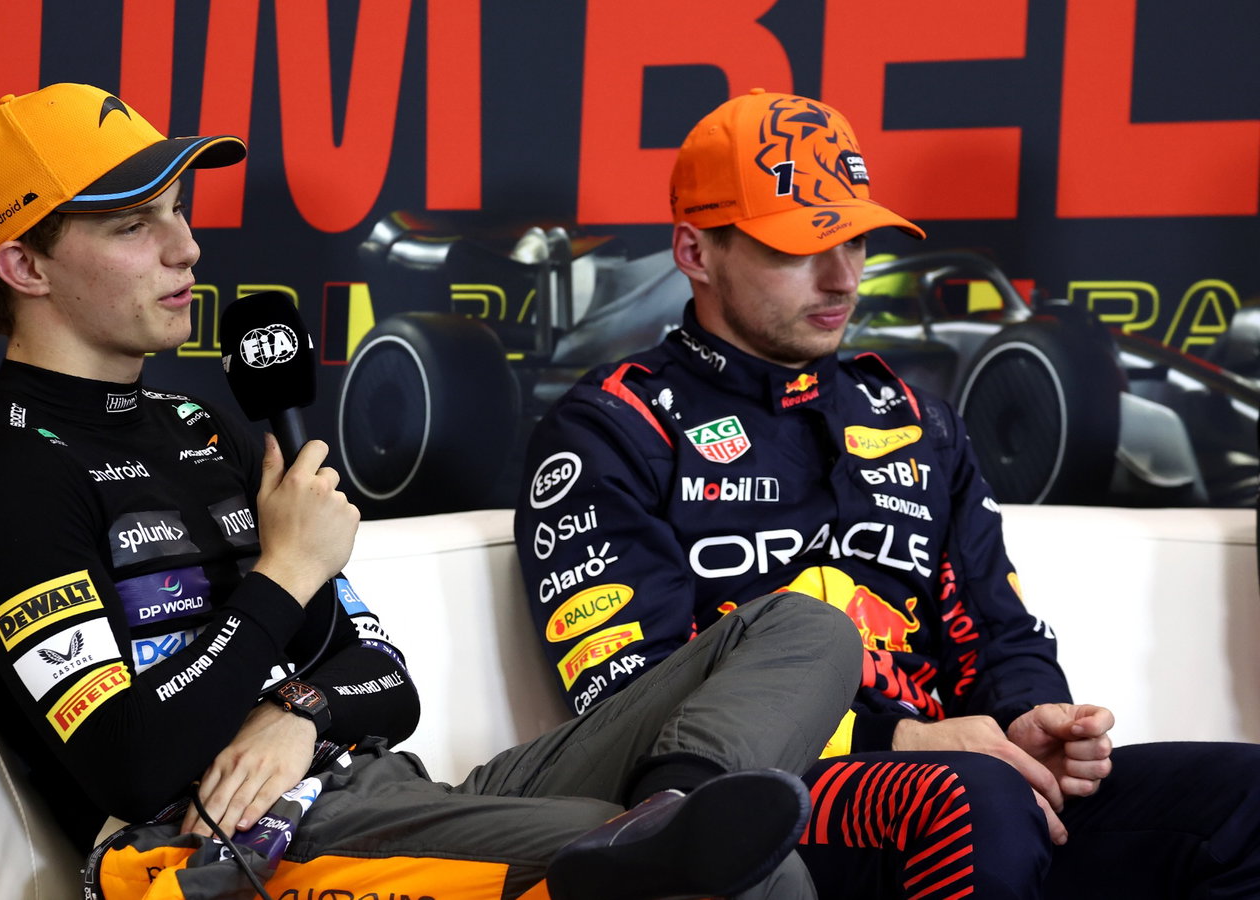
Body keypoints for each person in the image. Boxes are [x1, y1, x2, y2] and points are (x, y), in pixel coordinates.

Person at [0, 82, 864, 900]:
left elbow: (384, 681)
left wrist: (301, 713)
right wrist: (283, 577)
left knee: (808, 630)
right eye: (136, 225)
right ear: (25, 266)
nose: (188, 249)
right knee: (736, 868)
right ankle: (666, 842)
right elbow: (132, 763)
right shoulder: (3, 477)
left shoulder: (205, 428)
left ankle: (673, 806)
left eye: (179, 210)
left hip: (390, 792)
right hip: (247, 854)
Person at [514, 88, 1260, 899]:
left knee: (1242, 802)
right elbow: (631, 704)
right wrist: (906, 738)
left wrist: (1031, 721)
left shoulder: (913, 420)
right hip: (763, 788)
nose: (842, 279)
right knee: (973, 803)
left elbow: (1000, 628)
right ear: (696, 252)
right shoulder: (611, 431)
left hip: (971, 787)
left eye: (856, 242)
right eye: (799, 250)